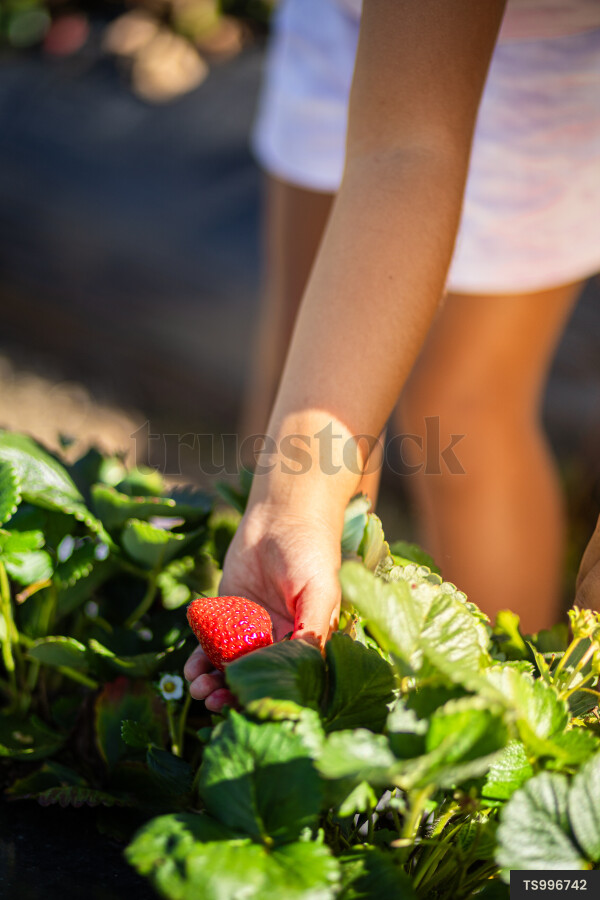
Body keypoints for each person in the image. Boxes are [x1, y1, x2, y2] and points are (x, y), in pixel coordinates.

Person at [185, 0, 600, 710]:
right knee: (308, 387)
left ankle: (493, 733)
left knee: (464, 405)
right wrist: (289, 506)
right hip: (360, 20)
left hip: (553, 65)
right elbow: (405, 147)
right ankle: (315, 692)